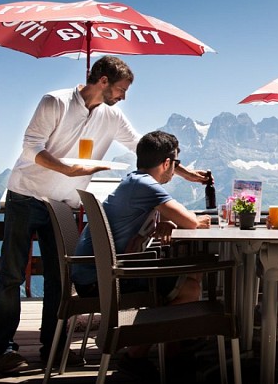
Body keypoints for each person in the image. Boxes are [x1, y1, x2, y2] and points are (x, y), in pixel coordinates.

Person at [0, 56, 207, 375]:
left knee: (58, 280)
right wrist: (68, 168)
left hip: (63, 202)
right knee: (11, 275)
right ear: (102, 81)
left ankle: (54, 346)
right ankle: (3, 350)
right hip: (27, 194)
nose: (123, 97)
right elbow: (30, 147)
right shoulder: (55, 102)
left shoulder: (112, 117)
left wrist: (183, 172)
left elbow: (142, 146)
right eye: (121, 89)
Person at [71, 131, 210, 379]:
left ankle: (173, 351)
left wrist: (169, 222)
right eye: (174, 163)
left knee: (192, 276)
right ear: (167, 163)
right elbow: (191, 221)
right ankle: (137, 356)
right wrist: (195, 221)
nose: (174, 169)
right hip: (103, 279)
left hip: (95, 273)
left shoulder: (134, 181)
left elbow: (168, 218)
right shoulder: (146, 185)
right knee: (190, 289)